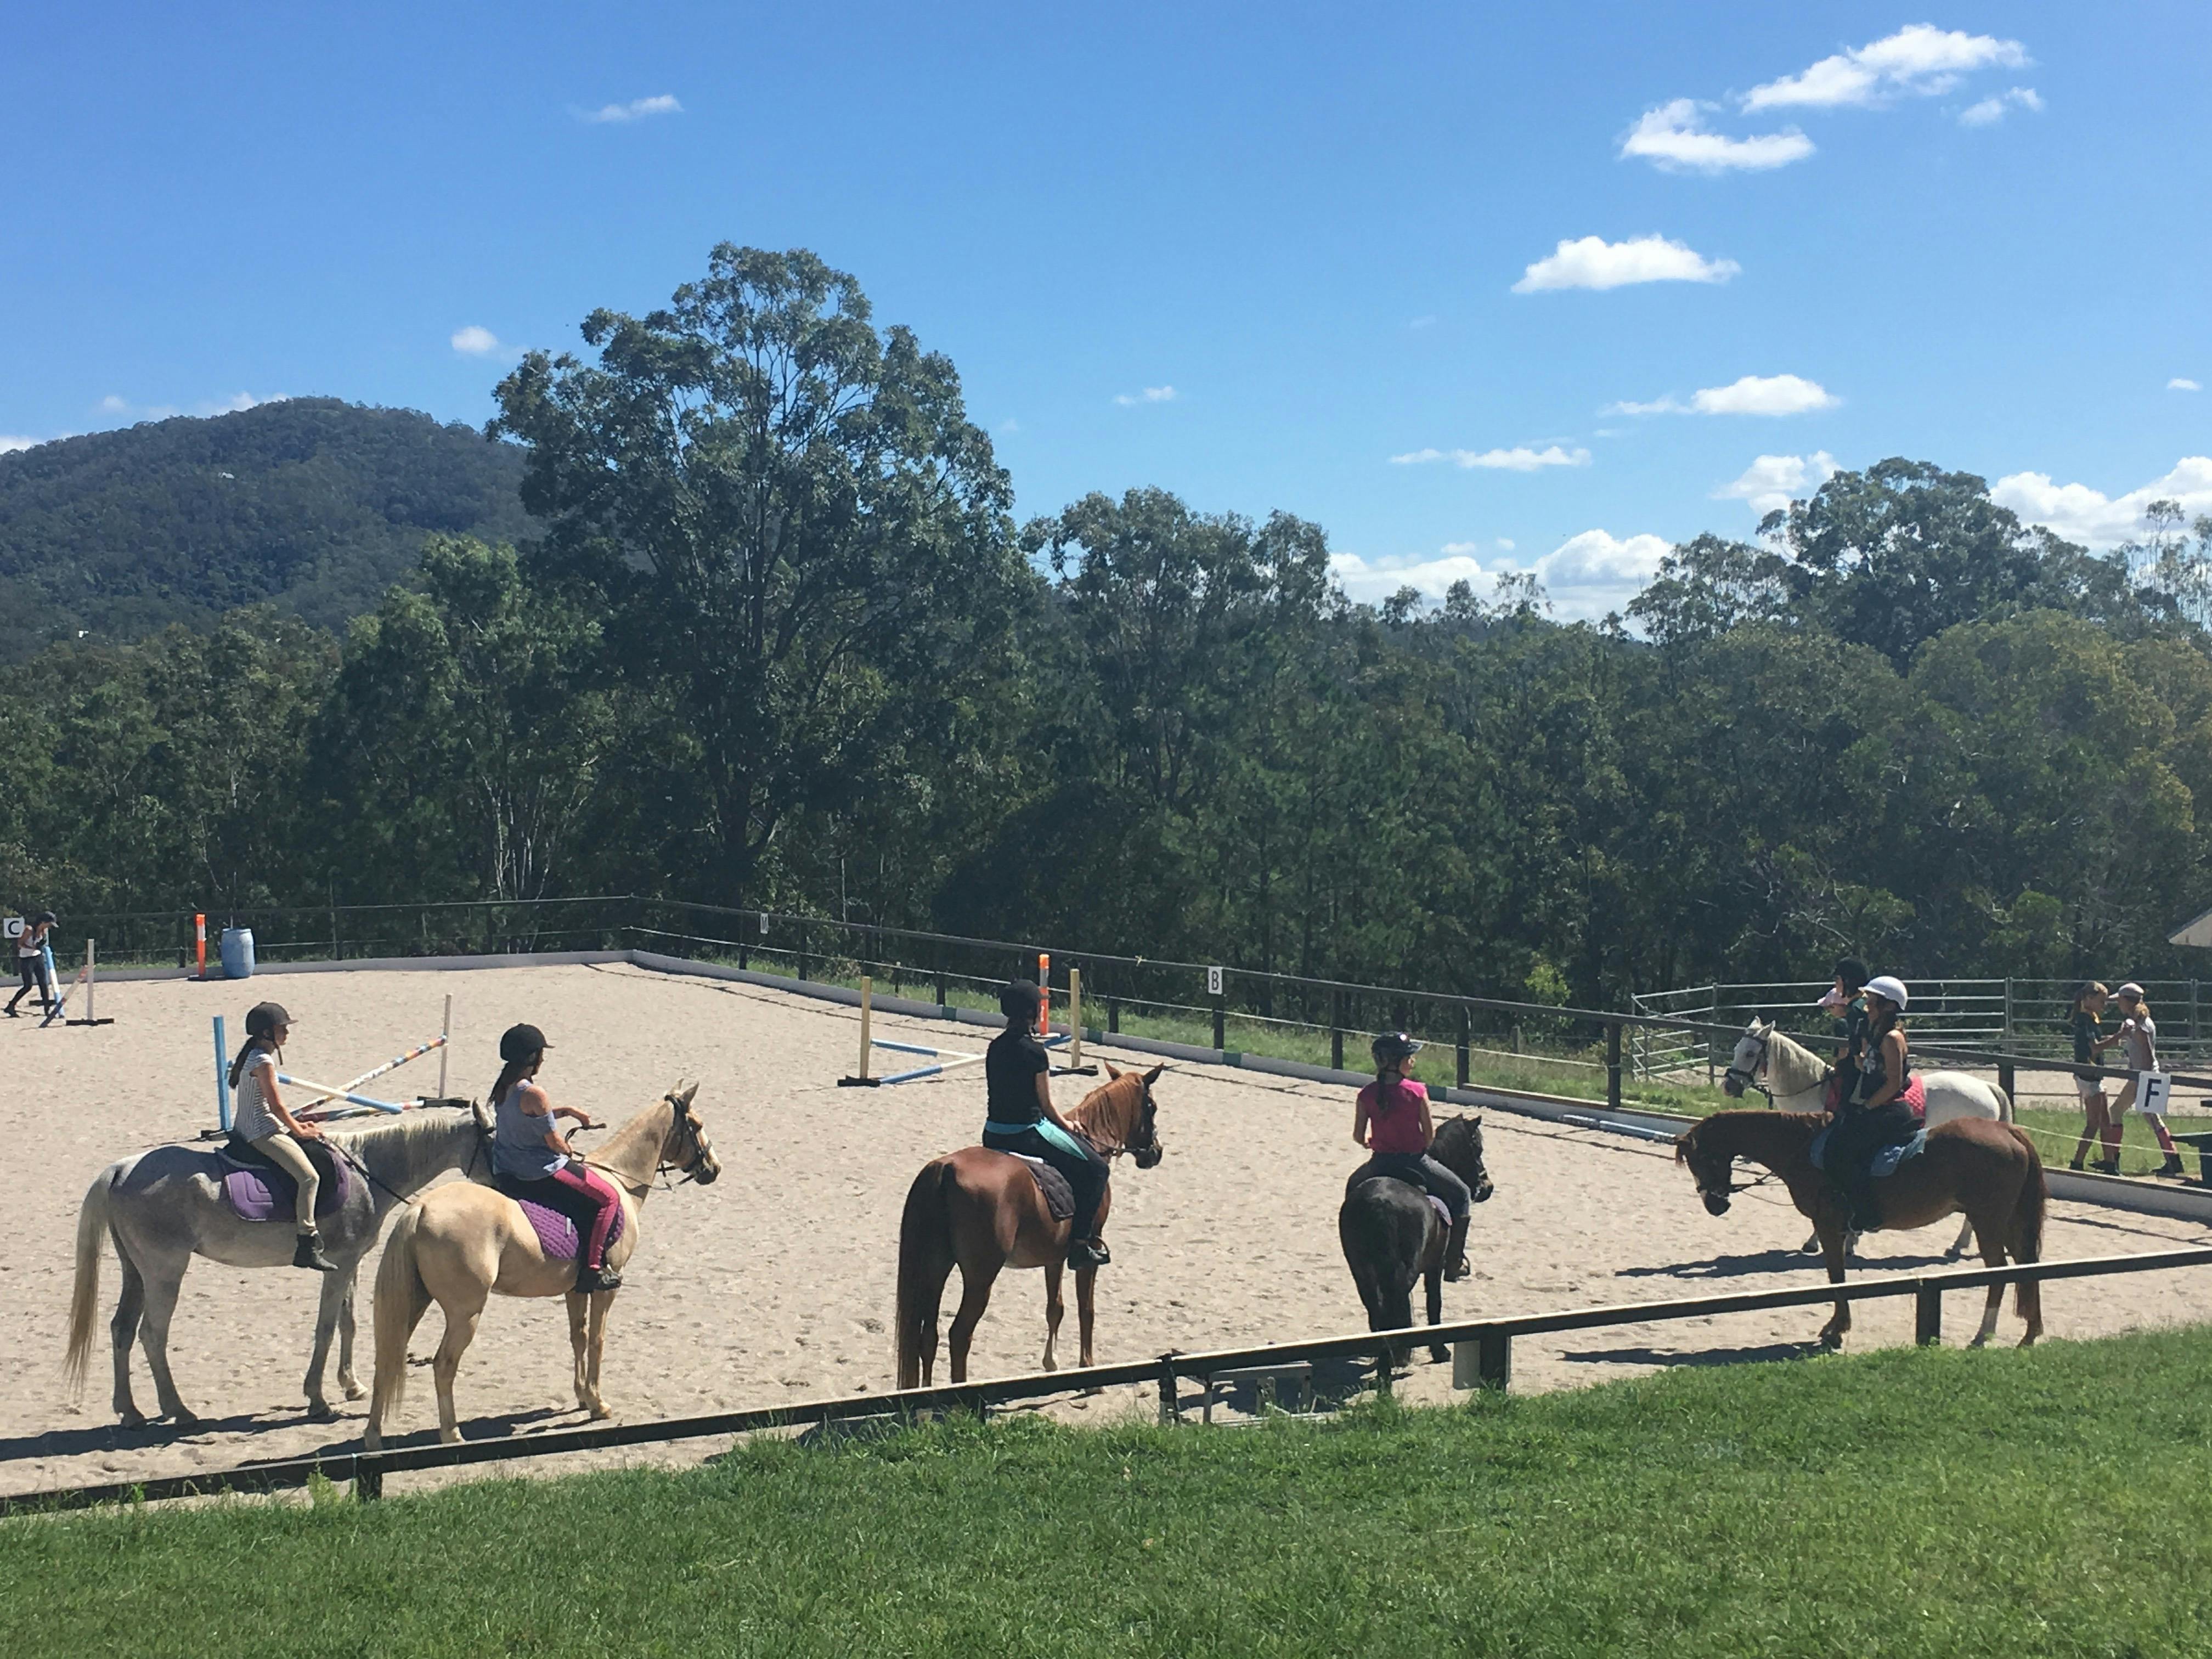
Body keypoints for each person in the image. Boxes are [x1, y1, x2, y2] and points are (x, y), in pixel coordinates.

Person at [982, 980, 1111, 1269]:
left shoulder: (995, 1047)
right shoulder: (1036, 1053)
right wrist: (1068, 1124)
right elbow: (1046, 1106)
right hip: (1027, 1133)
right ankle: (1080, 1245)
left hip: (993, 1131)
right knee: (1097, 1169)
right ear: (1033, 1012)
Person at [488, 1023, 623, 1292]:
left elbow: (530, 1117)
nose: (543, 1059)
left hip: (505, 1167)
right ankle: (593, 1269)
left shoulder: (503, 1087)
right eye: (540, 1054)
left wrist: (570, 1111)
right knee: (609, 1198)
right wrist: (567, 1149)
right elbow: (555, 1143)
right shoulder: (535, 1093)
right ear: (531, 1058)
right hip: (537, 1171)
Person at [1350, 1032, 1473, 1281]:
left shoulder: (1366, 1094)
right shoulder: (1417, 1092)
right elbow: (1429, 1137)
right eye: (1410, 1057)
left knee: (1352, 1189)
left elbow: (1358, 1136)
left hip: (1380, 1162)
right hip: (1415, 1162)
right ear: (1396, 1061)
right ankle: (1453, 1261)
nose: (1413, 1061)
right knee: (1462, 1194)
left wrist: (1370, 1143)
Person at [227, 1002, 337, 1271]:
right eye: (281, 1029)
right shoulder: (263, 1061)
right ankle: (306, 1243)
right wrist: (300, 1131)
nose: (286, 1033)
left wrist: (296, 1125)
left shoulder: (252, 1055)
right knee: (310, 1177)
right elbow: (277, 1107)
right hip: (260, 1132)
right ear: (267, 1033)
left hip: (248, 1125)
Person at [1824, 975, 1925, 1233]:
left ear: (1889, 1007)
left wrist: (1866, 1107)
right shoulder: (1876, 1035)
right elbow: (1870, 1069)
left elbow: (1892, 1083)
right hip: (1877, 1106)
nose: (1867, 1006)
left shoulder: (1891, 1039)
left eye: (1872, 1002)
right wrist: (1858, 1057)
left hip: (1889, 1110)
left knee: (1843, 1153)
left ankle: (1868, 1214)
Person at [2108, 984, 2186, 1178]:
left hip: (2143, 1075)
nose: (2118, 1004)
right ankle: (2173, 1160)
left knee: (2119, 1112)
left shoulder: (2139, 1025)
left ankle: (2113, 1159)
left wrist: (2142, 1078)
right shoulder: (2140, 1021)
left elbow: (2147, 1055)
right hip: (2145, 1075)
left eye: (2120, 1000)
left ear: (2127, 1001)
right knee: (2150, 1117)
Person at [2066, 981, 2123, 1173]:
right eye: (2102, 1001)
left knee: (2105, 1122)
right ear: (2089, 999)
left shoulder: (2091, 1019)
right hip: (2088, 1076)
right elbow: (2094, 1048)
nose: (2104, 1005)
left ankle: (2110, 1163)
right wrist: (2117, 1038)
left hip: (2094, 1075)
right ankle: (2077, 1162)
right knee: (2093, 1123)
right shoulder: (2084, 1021)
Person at [1821, 957, 1872, 1113]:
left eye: (1838, 980)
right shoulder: (1865, 1002)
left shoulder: (1855, 1010)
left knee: (1845, 1107)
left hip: (1862, 1067)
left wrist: (1856, 1059)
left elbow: (1857, 1040)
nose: (1836, 985)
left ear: (1848, 981)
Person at [5, 910, 57, 1018]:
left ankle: (47, 1009)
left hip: (38, 957)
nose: (49, 926)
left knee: (44, 983)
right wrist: (31, 947)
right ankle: (11, 1005)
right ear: (43, 922)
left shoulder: (44, 930)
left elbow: (42, 943)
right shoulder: (29, 930)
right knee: (28, 986)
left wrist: (40, 948)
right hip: (26, 959)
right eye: (49, 924)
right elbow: (20, 944)